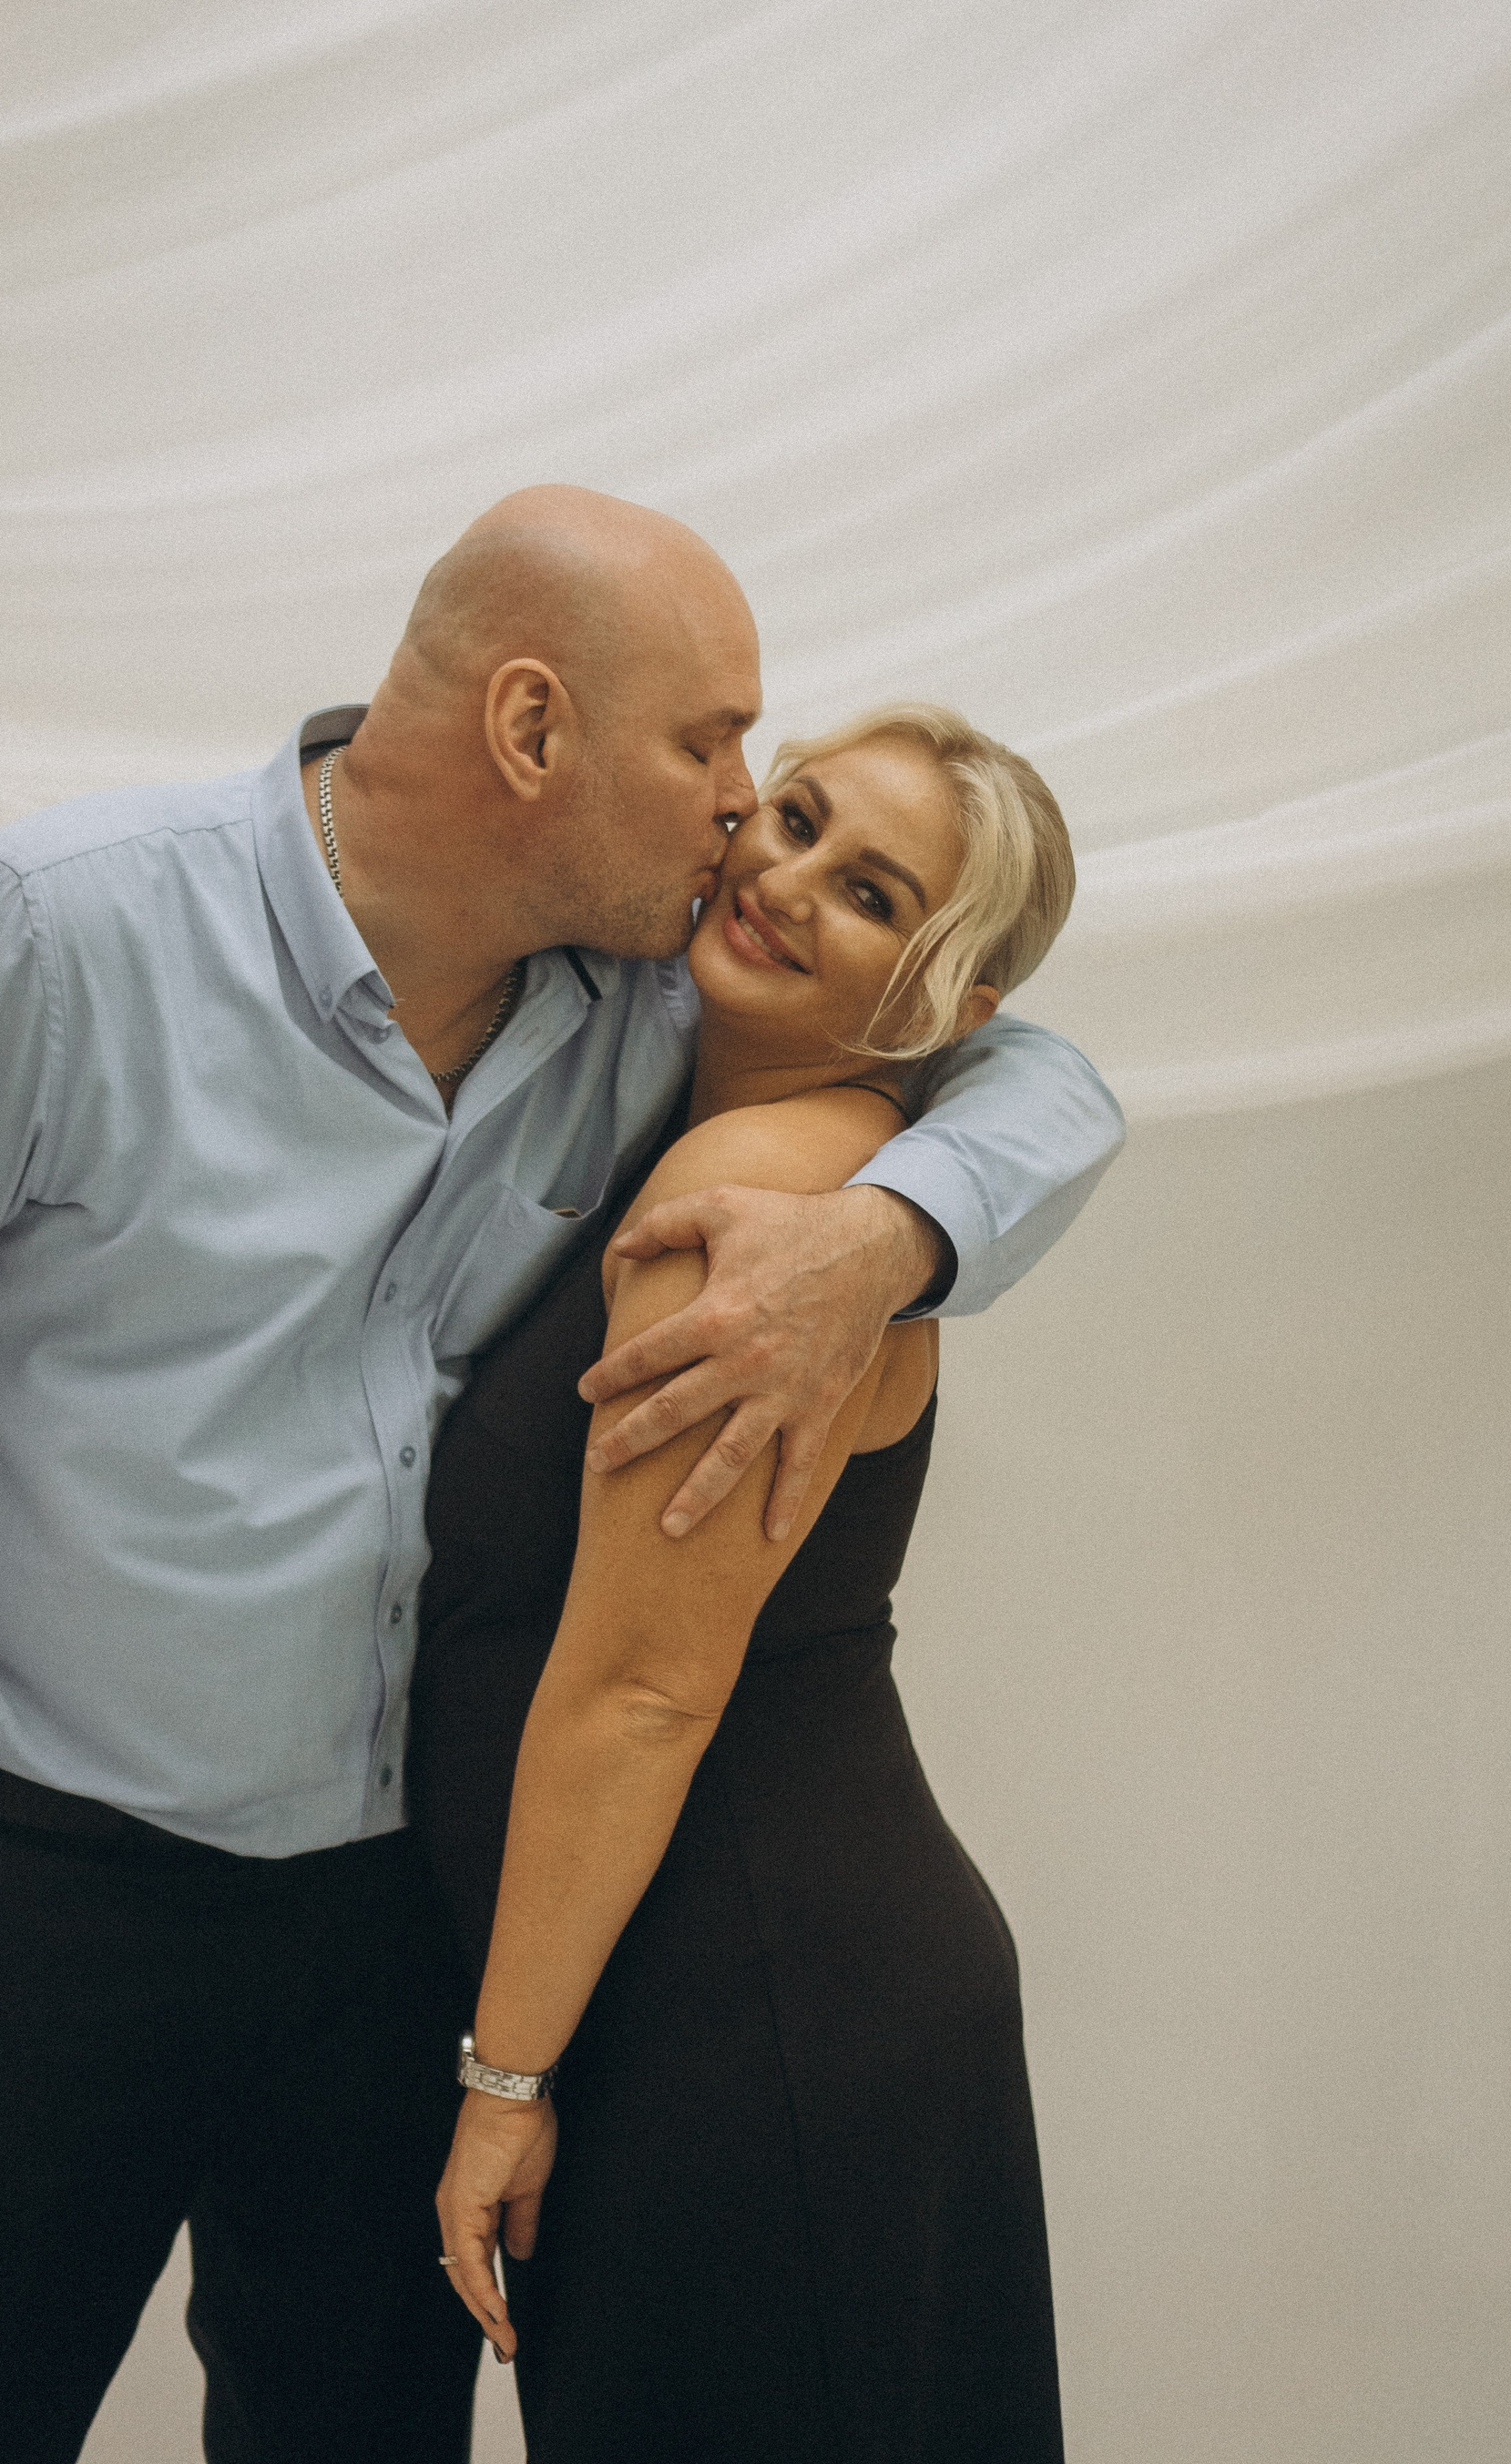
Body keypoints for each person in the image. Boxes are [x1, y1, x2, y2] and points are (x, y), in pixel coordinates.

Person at [0, 487, 1119, 2464]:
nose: (742, 815)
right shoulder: (50, 937)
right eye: (716, 749)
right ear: (531, 728)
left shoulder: (648, 996)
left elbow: (1032, 1070)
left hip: (398, 1943)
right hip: (35, 1898)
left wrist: (888, 1232)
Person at [421, 702, 1079, 2463]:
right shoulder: (736, 1144)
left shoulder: (757, 1195)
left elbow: (646, 1690)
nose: (786, 882)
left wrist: (503, 2081)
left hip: (752, 2008)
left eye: (871, 893)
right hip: (719, 1985)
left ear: (945, 1002)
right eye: (794, 821)